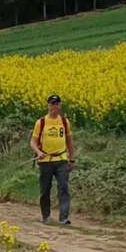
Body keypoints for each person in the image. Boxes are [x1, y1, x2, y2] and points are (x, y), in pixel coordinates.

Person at [30, 94, 76, 225]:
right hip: (46, 161)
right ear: (48, 106)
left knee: (64, 187)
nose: (54, 107)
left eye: (56, 104)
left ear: (60, 106)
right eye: (52, 104)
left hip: (61, 159)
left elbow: (69, 141)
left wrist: (71, 158)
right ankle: (46, 216)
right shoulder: (41, 122)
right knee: (45, 189)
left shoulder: (64, 122)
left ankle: (64, 218)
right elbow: (33, 142)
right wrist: (38, 152)